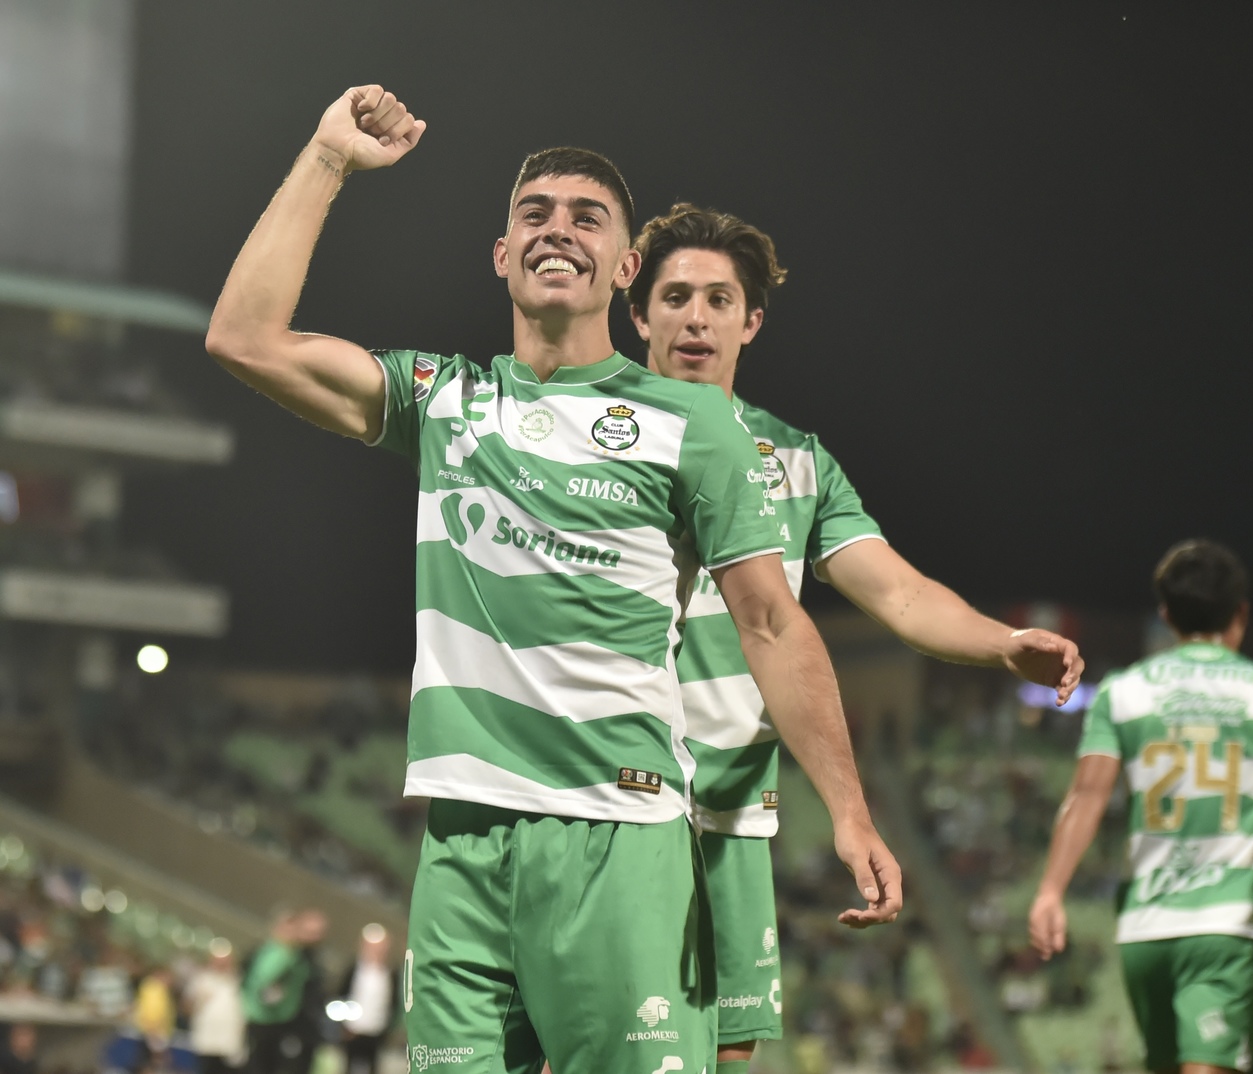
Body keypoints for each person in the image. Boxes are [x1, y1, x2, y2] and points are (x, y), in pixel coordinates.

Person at [206, 85, 901, 1074]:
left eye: (586, 218)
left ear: (622, 268)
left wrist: (848, 811)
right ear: (502, 255)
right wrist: (326, 160)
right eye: (533, 214)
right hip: (461, 841)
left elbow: (772, 626)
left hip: (616, 832)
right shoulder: (445, 400)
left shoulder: (690, 424)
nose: (555, 229)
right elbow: (243, 339)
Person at [627, 203, 1085, 1073]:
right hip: (607, 810)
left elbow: (902, 595)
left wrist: (999, 643)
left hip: (730, 822)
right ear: (638, 312)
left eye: (719, 300)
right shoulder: (593, 438)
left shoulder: (795, 461)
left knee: (728, 1057)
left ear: (751, 321)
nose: (695, 317)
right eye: (675, 296)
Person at [1029, 539, 1253, 1074]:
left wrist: (1051, 890)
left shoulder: (1124, 692)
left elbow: (1087, 795)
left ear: (1166, 615)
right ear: (1241, 614)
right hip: (1226, 924)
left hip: (1145, 931)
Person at [241, 910, 327, 1074]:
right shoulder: (278, 952)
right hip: (267, 1020)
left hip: (289, 1021)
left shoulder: (301, 956)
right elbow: (265, 980)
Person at [334, 923, 398, 1074]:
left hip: (376, 1031)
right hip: (352, 1030)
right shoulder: (354, 969)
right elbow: (340, 995)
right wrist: (343, 1024)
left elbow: (392, 1004)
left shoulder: (390, 974)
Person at [186, 939, 247, 1074]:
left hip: (231, 1043)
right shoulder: (201, 979)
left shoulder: (240, 981)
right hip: (207, 1041)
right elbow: (187, 1006)